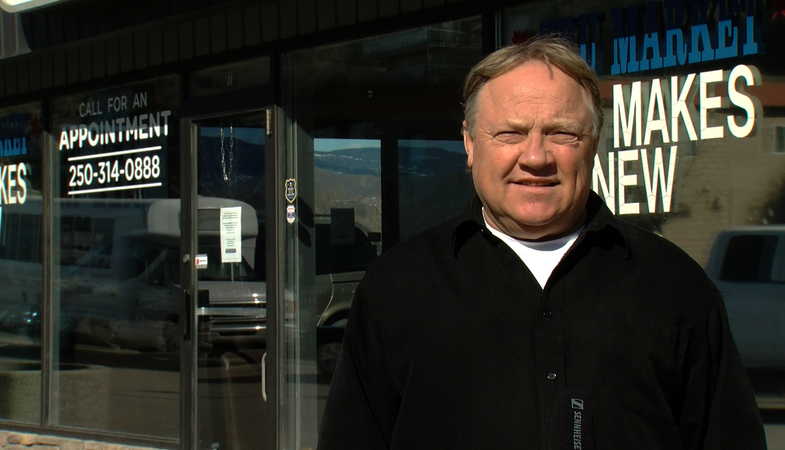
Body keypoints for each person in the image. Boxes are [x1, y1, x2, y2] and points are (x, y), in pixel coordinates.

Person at [317, 35, 767, 450]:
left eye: (562, 133)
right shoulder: (398, 286)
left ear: (593, 144)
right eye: (510, 133)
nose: (535, 157)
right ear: (469, 143)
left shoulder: (674, 285)